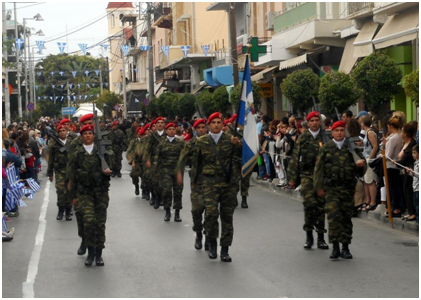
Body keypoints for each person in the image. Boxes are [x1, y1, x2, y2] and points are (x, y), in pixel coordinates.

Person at [190, 112, 242, 262]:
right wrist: (195, 185)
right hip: (209, 183)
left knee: (227, 217)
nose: (217, 125)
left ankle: (225, 249)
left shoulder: (230, 140)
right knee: (211, 215)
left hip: (228, 184)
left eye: (219, 122)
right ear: (208, 125)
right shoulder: (202, 142)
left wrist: (238, 145)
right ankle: (212, 243)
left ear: (223, 124)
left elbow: (240, 160)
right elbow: (196, 165)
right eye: (213, 122)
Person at [314, 121, 366, 259]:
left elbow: (362, 167)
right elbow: (318, 170)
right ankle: (335, 247)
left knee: (346, 218)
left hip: (348, 189)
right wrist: (318, 188)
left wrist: (361, 166)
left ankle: (346, 247)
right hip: (331, 188)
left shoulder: (351, 147)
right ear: (332, 132)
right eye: (337, 130)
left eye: (342, 130)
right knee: (333, 216)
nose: (339, 133)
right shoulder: (326, 148)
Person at [68, 124, 113, 267]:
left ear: (94, 136)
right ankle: (90, 253)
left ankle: (99, 254)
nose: (88, 135)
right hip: (84, 193)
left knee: (99, 223)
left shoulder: (102, 152)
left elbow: (111, 167)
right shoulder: (77, 154)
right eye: (85, 133)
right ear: (81, 137)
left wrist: (107, 169)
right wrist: (73, 196)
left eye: (90, 133)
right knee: (88, 222)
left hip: (100, 192)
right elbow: (73, 176)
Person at [287, 111, 329, 250]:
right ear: (308, 122)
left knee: (321, 206)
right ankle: (309, 234)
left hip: (322, 176)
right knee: (309, 204)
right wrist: (292, 178)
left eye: (317, 120)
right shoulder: (303, 137)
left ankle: (321, 237)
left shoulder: (325, 137)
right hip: (307, 175)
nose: (315, 123)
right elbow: (295, 157)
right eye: (312, 121)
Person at [177, 118, 208, 249]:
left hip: (213, 182)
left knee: (211, 212)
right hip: (197, 182)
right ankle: (199, 232)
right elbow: (182, 159)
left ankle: (209, 237)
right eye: (198, 127)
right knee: (197, 210)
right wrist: (179, 173)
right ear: (194, 130)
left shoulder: (212, 142)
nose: (201, 129)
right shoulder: (190, 144)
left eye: (203, 127)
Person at [154, 123, 185, 222]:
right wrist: (156, 172)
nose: (172, 131)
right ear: (166, 131)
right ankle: (167, 211)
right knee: (167, 191)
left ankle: (177, 213)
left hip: (177, 171)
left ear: (175, 131)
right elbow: (157, 158)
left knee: (178, 192)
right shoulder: (162, 143)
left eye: (173, 129)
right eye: (169, 129)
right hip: (166, 171)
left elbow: (185, 157)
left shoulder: (180, 143)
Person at [47, 124, 72, 221]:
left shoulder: (71, 142)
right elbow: (51, 159)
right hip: (59, 171)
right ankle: (61, 210)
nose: (62, 132)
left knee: (69, 191)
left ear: (66, 132)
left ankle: (68, 212)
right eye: (60, 131)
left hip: (70, 171)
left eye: (63, 131)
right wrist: (50, 173)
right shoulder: (55, 144)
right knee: (61, 191)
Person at [144, 117, 167, 207]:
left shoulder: (167, 135)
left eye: (162, 122)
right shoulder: (152, 136)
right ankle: (155, 196)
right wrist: (147, 160)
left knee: (164, 181)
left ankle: (161, 198)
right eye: (158, 123)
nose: (160, 124)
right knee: (154, 181)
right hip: (154, 161)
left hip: (165, 161)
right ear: (156, 125)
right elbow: (147, 149)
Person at [385, 115, 405, 217]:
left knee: (393, 188)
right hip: (396, 165)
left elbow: (388, 154)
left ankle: (396, 208)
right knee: (396, 187)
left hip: (391, 165)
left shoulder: (393, 138)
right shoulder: (400, 136)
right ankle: (396, 207)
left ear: (391, 126)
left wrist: (382, 155)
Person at [359, 115, 379, 211]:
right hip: (365, 157)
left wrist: (370, 158)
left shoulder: (370, 133)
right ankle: (368, 200)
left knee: (371, 181)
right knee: (366, 181)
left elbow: (375, 146)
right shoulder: (366, 133)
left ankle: (373, 202)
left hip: (370, 159)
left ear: (363, 123)